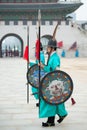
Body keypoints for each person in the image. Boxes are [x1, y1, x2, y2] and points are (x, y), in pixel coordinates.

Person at [39, 39, 68, 127]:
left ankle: (52, 120)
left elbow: (56, 69)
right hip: (50, 81)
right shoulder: (51, 56)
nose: (47, 48)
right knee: (52, 101)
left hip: (54, 83)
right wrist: (44, 66)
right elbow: (49, 68)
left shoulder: (55, 57)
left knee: (51, 101)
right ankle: (59, 116)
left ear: (52, 48)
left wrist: (56, 82)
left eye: (48, 47)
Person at [29, 42, 45, 107]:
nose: (35, 50)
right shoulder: (39, 55)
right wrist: (30, 63)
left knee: (38, 88)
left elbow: (41, 65)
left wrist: (31, 64)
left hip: (40, 74)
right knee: (37, 88)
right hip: (38, 73)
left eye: (36, 49)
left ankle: (41, 101)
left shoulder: (41, 56)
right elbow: (37, 64)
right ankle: (40, 100)